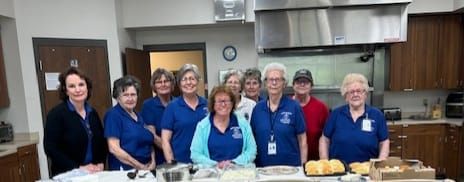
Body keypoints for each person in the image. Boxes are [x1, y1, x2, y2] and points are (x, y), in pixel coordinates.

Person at [44, 67, 107, 176]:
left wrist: (100, 163)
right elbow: (51, 148)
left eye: (81, 84)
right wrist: (78, 167)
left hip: (94, 173)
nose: (78, 90)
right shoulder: (56, 115)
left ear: (87, 87)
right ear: (65, 90)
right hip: (68, 174)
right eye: (72, 86)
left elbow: (101, 142)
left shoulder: (92, 113)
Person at [319, 73, 389, 164]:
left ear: (365, 94)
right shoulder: (335, 114)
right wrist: (325, 163)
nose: (355, 94)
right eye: (351, 92)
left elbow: (384, 142)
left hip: (367, 171)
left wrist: (380, 164)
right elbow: (324, 140)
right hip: (339, 171)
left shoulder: (377, 115)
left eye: (359, 91)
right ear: (346, 96)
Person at [250, 62, 307, 167]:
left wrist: (303, 167)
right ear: (265, 83)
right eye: (270, 79)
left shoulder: (294, 107)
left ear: (284, 83)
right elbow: (251, 140)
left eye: (278, 79)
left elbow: (302, 139)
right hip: (263, 169)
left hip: (290, 169)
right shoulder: (257, 109)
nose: (274, 83)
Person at [190, 85, 257, 168]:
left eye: (227, 101)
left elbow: (251, 150)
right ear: (213, 104)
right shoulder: (202, 126)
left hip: (240, 173)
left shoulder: (243, 124)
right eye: (219, 101)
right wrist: (216, 165)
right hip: (212, 174)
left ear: (232, 103)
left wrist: (233, 163)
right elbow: (195, 154)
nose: (223, 104)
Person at [104, 75, 155, 170]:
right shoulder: (113, 115)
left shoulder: (138, 116)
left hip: (147, 169)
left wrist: (153, 162)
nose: (130, 99)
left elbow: (148, 142)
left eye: (133, 95)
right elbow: (114, 149)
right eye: (126, 95)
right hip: (126, 171)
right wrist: (139, 166)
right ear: (118, 97)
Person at [161, 64, 209, 163]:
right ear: (179, 83)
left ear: (198, 81)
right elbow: (165, 140)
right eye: (184, 79)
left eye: (192, 78)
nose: (188, 82)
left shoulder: (208, 104)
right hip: (181, 163)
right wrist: (172, 163)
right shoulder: (172, 107)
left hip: (207, 162)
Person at [291, 69, 329, 160]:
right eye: (298, 81)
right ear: (293, 85)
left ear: (311, 86)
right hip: (289, 162)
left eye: (306, 82)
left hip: (314, 162)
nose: (302, 84)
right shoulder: (285, 105)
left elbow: (327, 136)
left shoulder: (321, 108)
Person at [140, 68, 175, 165]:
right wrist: (170, 152)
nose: (163, 84)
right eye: (159, 82)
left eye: (166, 81)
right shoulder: (148, 106)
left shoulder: (178, 103)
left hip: (183, 155)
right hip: (160, 158)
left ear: (172, 84)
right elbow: (153, 136)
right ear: (154, 86)